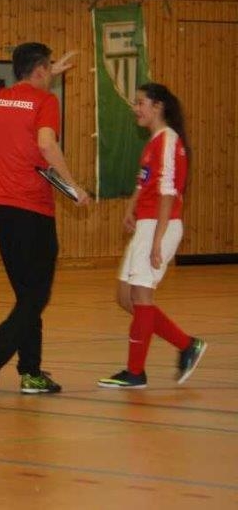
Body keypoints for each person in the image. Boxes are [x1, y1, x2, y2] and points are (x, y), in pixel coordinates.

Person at [0, 42, 90, 396]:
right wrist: (73, 185)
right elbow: (47, 144)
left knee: (26, 296)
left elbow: (22, 101)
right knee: (36, 296)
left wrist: (49, 71)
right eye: (48, 68)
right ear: (40, 70)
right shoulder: (45, 101)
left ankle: (31, 372)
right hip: (32, 209)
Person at [98, 83, 206, 389]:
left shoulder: (168, 140)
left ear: (158, 106)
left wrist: (158, 239)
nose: (135, 108)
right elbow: (145, 181)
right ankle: (187, 344)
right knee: (125, 297)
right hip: (146, 224)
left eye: (140, 103)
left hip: (161, 224)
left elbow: (168, 192)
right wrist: (131, 208)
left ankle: (135, 372)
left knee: (142, 297)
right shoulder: (153, 142)